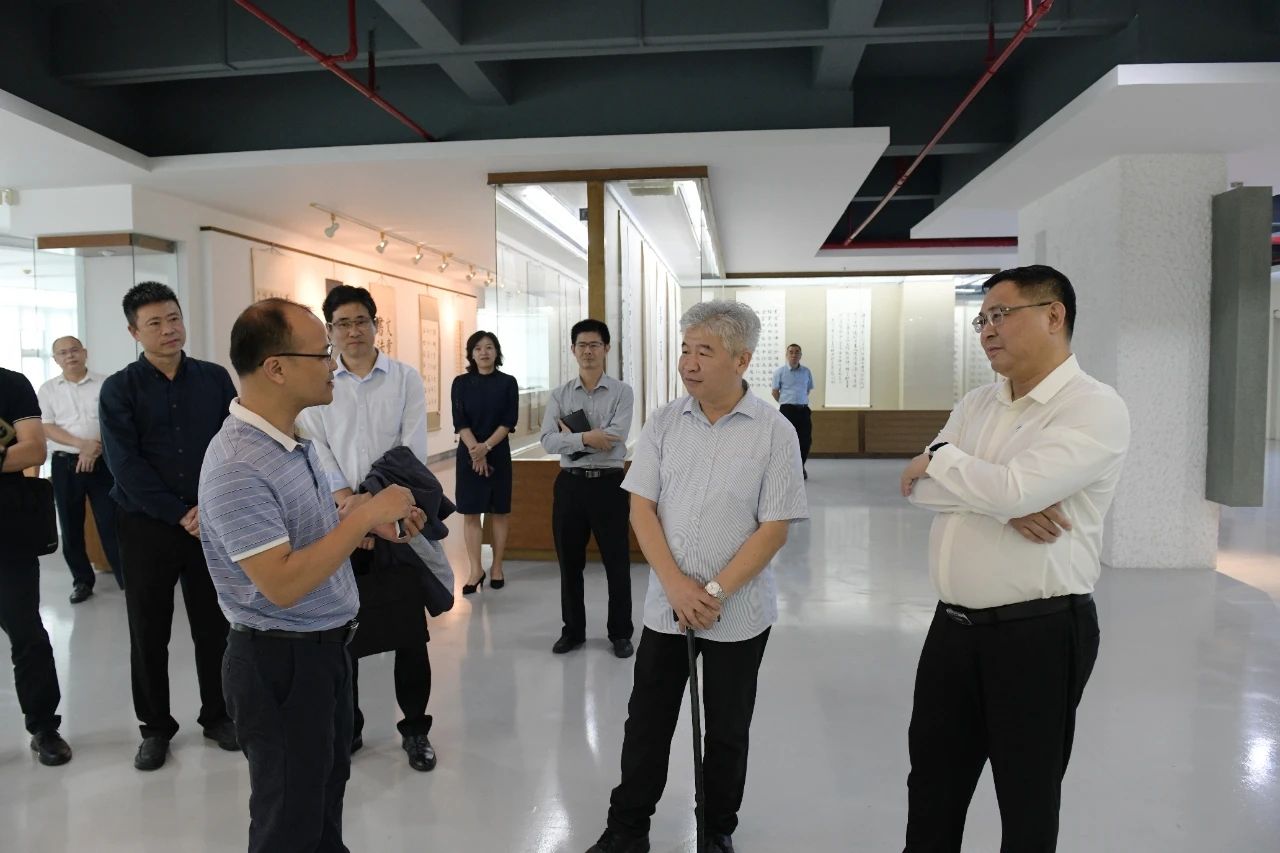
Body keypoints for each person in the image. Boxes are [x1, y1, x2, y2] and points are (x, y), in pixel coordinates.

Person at [899, 264, 1130, 852]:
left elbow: (1005, 487)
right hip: (951, 630)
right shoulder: (977, 402)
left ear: (1054, 315)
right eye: (981, 320)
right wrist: (1002, 505)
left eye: (1000, 315)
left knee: (1027, 800)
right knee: (932, 788)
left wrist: (944, 458)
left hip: (1038, 635)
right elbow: (918, 489)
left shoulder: (1093, 407)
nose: (986, 330)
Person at [200, 298, 424, 853]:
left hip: (324, 650)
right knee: (289, 823)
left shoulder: (289, 441)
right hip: (279, 662)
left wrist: (365, 520)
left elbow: (311, 536)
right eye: (321, 353)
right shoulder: (237, 464)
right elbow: (280, 583)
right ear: (276, 367)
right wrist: (364, 517)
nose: (332, 363)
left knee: (323, 801)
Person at [585, 301, 808, 853]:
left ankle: (716, 830)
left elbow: (774, 529)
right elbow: (641, 508)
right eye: (685, 349)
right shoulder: (665, 421)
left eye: (704, 351)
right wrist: (678, 587)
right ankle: (627, 830)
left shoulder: (775, 432)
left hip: (738, 612)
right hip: (668, 608)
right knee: (647, 723)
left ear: (742, 360)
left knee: (727, 730)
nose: (688, 362)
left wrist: (711, 592)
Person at [297, 284, 441, 772]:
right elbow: (317, 449)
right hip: (340, 525)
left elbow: (410, 452)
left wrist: (373, 511)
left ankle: (416, 729)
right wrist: (351, 509)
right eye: (342, 323)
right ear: (330, 330)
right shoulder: (319, 383)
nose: (353, 331)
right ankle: (350, 728)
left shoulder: (404, 379)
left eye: (361, 321)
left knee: (409, 634)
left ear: (376, 325)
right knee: (345, 633)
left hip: (396, 523)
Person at [98, 281, 239, 771]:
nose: (168, 330)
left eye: (173, 318)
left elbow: (231, 444)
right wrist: (179, 512)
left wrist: (207, 507)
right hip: (146, 526)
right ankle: (155, 728)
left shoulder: (215, 379)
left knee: (215, 625)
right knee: (148, 629)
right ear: (134, 332)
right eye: (154, 323)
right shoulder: (119, 389)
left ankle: (219, 715)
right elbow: (124, 464)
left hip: (209, 522)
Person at [539, 319, 636, 658]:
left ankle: (620, 633)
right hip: (571, 486)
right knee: (569, 564)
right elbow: (548, 441)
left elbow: (616, 437)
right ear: (573, 350)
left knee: (617, 562)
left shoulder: (622, 392)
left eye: (595, 345)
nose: (588, 351)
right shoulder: (560, 394)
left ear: (606, 348)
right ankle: (573, 631)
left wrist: (573, 438)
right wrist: (588, 438)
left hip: (610, 485)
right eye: (582, 345)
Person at [0, 366, 73, 766]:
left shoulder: (11, 385)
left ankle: (44, 727)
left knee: (27, 633)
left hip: (8, 534)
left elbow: (33, 450)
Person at [38, 335, 124, 601]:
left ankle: (128, 579)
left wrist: (93, 447)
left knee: (111, 522)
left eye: (74, 350)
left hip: (103, 462)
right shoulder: (48, 390)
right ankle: (82, 581)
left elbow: (115, 420)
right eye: (63, 353)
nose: (70, 356)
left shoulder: (107, 383)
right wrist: (81, 445)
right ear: (55, 359)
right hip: (66, 464)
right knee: (70, 525)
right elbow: (47, 426)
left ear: (85, 352)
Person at [450, 331, 518, 593]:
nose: (484, 352)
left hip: (498, 453)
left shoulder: (508, 383)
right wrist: (475, 451)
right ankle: (475, 570)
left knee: (499, 511)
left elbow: (508, 421)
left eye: (489, 347)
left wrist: (486, 448)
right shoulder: (461, 383)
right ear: (471, 353)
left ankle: (497, 566)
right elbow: (460, 421)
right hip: (469, 454)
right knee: (471, 512)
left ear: (496, 351)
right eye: (478, 348)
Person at [771, 343, 814, 480]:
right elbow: (775, 392)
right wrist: (785, 402)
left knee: (805, 440)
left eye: (797, 352)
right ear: (787, 354)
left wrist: (799, 401)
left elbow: (807, 390)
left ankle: (800, 467)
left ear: (800, 355)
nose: (794, 354)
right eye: (791, 352)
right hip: (787, 410)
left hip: (803, 410)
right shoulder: (780, 372)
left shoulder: (806, 372)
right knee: (786, 440)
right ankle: (787, 468)